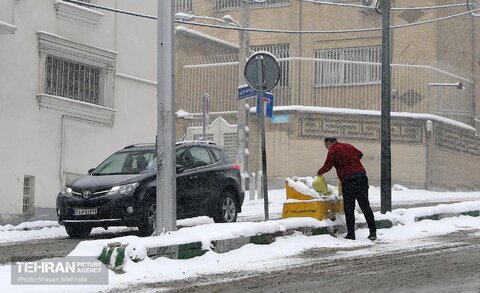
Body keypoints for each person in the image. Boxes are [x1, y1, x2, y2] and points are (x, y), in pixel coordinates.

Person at [317, 137, 377, 241]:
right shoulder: (348, 146)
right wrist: (352, 161)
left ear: (329, 142)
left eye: (326, 145)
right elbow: (360, 154)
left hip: (348, 180)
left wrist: (320, 172)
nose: (326, 148)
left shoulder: (333, 150)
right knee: (365, 206)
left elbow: (328, 165)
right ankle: (373, 233)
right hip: (361, 177)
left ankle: (351, 234)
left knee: (349, 208)